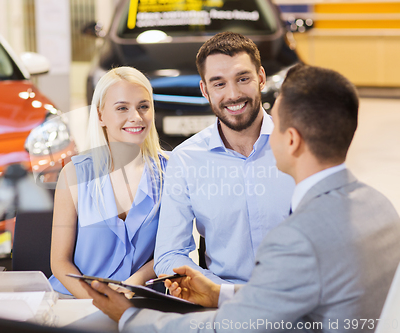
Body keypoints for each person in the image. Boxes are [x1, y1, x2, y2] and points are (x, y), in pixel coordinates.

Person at [81, 64, 400, 332]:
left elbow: (229, 327)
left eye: (274, 126)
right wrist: (220, 293)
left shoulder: (296, 238)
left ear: (291, 140)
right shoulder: (381, 207)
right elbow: (299, 295)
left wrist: (129, 316)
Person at [154, 32, 294, 284]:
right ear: (204, 90)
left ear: (261, 78)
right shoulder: (185, 160)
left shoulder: (298, 145)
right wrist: (221, 292)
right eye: (219, 83)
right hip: (225, 306)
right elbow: (169, 254)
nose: (233, 94)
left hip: (297, 301)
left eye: (243, 79)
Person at [49, 66, 168, 298]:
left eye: (143, 106)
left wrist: (133, 285)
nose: (136, 116)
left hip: (141, 300)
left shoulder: (170, 173)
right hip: (76, 301)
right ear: (101, 115)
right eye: (122, 108)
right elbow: (60, 262)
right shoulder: (74, 175)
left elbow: (171, 250)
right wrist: (99, 302)